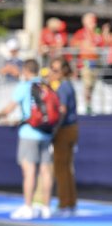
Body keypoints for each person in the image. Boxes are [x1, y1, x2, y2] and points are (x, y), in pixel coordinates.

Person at [0, 59, 54, 219]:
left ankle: (28, 206)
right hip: (46, 132)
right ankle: (46, 207)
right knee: (46, 171)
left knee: (29, 171)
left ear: (26, 71)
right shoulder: (45, 85)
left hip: (29, 133)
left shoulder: (23, 86)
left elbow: (9, 108)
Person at [48, 57, 79, 216]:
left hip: (65, 130)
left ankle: (64, 204)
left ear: (63, 71)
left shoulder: (63, 88)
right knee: (67, 167)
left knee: (61, 168)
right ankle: (71, 202)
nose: (52, 73)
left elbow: (62, 110)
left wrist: (53, 130)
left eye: (55, 70)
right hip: (71, 128)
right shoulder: (67, 86)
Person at [71, 12, 104, 114]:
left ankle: (90, 103)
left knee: (93, 84)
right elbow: (74, 47)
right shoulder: (80, 34)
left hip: (96, 62)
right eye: (91, 21)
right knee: (87, 84)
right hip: (86, 62)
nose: (93, 24)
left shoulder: (97, 33)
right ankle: (87, 105)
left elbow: (102, 45)